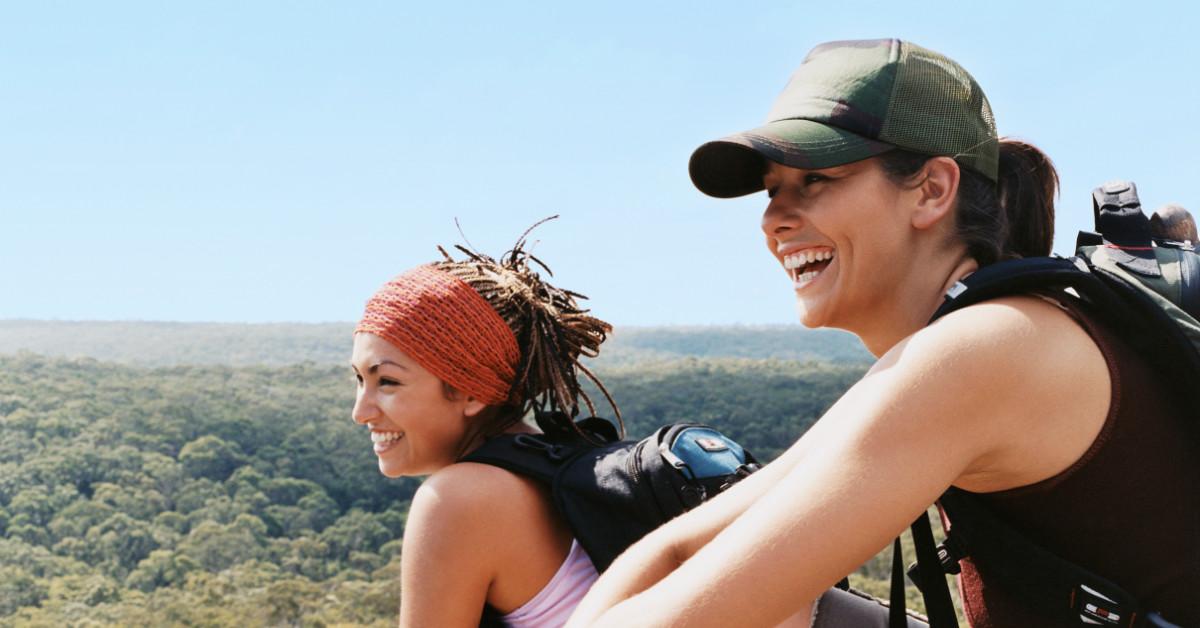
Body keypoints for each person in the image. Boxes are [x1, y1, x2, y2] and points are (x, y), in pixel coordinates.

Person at [566, 39, 1199, 627]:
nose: (774, 221)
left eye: (815, 178)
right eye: (771, 190)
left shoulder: (978, 353)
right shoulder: (990, 330)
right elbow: (676, 549)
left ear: (932, 190)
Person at [350, 230, 619, 628]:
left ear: (470, 393)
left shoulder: (457, 499)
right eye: (359, 379)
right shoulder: (557, 464)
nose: (361, 411)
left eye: (387, 382)